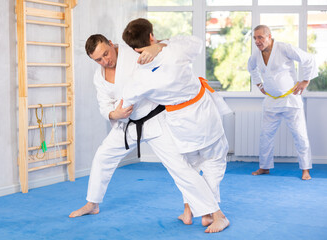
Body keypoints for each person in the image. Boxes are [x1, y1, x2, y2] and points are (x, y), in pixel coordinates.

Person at [69, 34, 221, 233]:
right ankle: (93, 203)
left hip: (155, 120)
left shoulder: (133, 52)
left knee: (180, 167)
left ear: (111, 43)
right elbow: (104, 105)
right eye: (99, 59)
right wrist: (114, 113)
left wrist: (159, 46)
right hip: (126, 126)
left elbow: (172, 48)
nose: (106, 61)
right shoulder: (99, 76)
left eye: (106, 53)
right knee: (102, 156)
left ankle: (213, 213)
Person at [122, 18, 231, 233]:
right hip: (203, 114)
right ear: (151, 36)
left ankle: (189, 211)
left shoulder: (138, 76)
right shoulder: (175, 50)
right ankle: (214, 214)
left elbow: (126, 103)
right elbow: (197, 42)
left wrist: (113, 113)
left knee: (189, 168)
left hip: (179, 122)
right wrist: (161, 45)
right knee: (214, 160)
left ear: (134, 48)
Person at [247, 25, 318, 180]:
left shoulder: (284, 48)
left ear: (269, 36)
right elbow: (251, 68)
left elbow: (308, 59)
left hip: (290, 100)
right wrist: (259, 84)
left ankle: (305, 169)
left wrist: (305, 81)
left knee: (300, 135)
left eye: (260, 37)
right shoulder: (256, 56)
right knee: (265, 135)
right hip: (271, 101)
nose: (257, 41)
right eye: (255, 38)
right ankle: (264, 167)